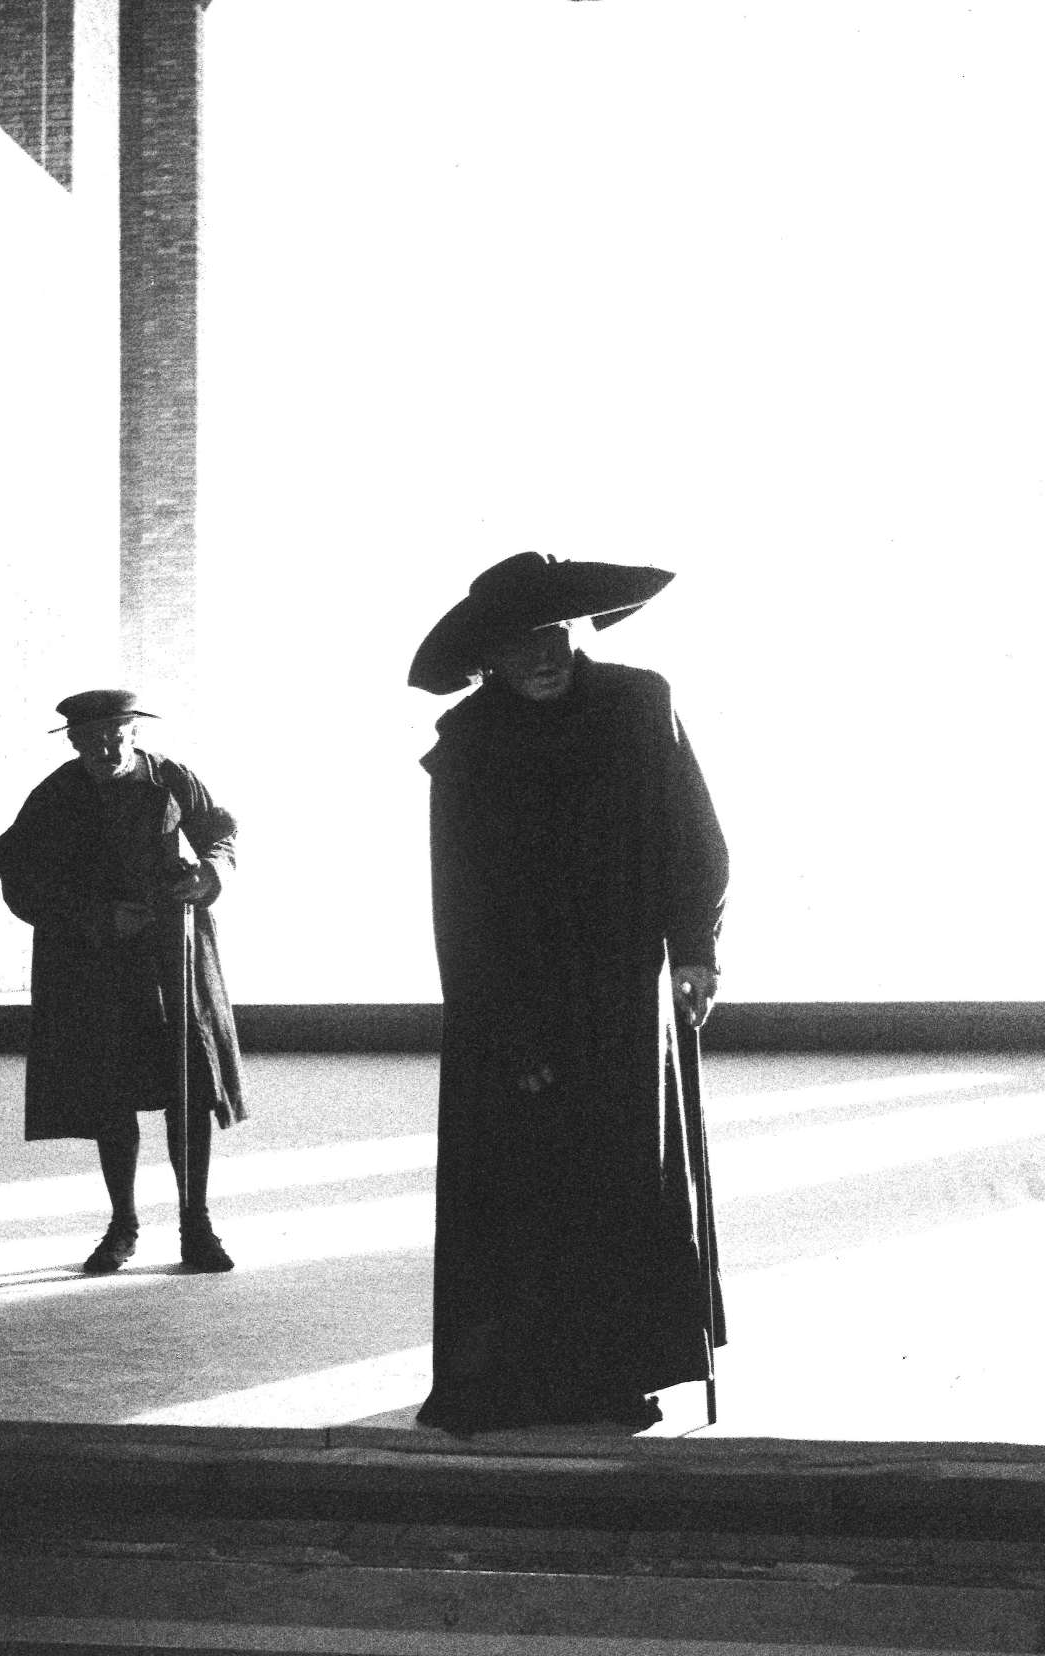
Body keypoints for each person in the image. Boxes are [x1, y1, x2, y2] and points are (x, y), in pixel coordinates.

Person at [407, 552, 729, 1434]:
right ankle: (513, 1381)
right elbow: (459, 901)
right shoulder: (469, 740)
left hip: (622, 985)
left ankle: (619, 1375)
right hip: (510, 991)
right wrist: (505, 1032)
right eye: (517, 644)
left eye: (551, 633)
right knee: (521, 1186)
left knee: (620, 1174)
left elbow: (694, 834)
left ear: (577, 628)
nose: (540, 656)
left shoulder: (639, 703)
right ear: (490, 656)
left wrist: (696, 950)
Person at [0, 688, 246, 1274]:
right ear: (73, 743)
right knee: (111, 1091)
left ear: (135, 733)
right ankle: (123, 1225)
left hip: (174, 951)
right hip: (96, 959)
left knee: (188, 1087)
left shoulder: (171, 777)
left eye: (116, 737)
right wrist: (93, 916)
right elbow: (16, 867)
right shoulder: (57, 794)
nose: (106, 750)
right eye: (91, 741)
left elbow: (221, 831)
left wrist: (211, 872)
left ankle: (196, 1225)